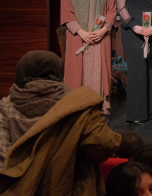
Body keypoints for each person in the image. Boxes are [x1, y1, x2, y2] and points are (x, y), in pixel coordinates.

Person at [0, 64, 121, 195]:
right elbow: (105, 144)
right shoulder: (77, 105)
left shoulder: (6, 105)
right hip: (68, 185)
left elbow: (3, 154)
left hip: (20, 186)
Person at [60, 0, 117, 115]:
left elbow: (111, 10)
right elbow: (67, 11)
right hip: (79, 36)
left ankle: (99, 106)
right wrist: (81, 32)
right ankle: (78, 108)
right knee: (79, 72)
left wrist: (104, 30)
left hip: (99, 36)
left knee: (98, 70)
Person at [0, 51, 71, 169]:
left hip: (17, 177)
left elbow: (2, 156)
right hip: (62, 177)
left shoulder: (6, 106)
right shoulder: (73, 102)